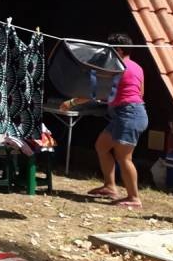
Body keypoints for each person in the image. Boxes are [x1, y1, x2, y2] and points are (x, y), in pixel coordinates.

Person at [60, 33, 147, 209]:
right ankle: (110, 187)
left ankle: (134, 198)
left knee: (124, 157)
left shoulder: (116, 67)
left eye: (110, 50)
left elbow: (96, 91)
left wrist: (71, 102)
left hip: (128, 114)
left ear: (119, 50)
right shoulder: (137, 67)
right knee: (102, 146)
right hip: (129, 113)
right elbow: (140, 92)